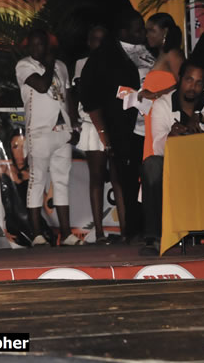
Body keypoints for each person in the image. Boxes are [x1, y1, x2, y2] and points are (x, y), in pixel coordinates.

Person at [80, 8, 150, 242]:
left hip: (154, 126)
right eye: (138, 29)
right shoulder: (105, 56)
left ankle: (154, 227)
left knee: (152, 178)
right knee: (128, 180)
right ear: (123, 31)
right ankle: (134, 231)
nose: (143, 33)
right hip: (125, 130)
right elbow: (89, 96)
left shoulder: (151, 50)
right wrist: (104, 133)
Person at [140, 59, 204, 255]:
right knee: (152, 165)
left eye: (199, 82)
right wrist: (170, 136)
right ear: (180, 79)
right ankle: (154, 238)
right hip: (178, 168)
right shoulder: (163, 104)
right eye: (189, 80)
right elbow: (157, 147)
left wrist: (203, 117)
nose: (193, 87)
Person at [15, 28, 81, 246]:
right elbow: (42, 86)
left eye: (40, 44)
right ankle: (37, 235)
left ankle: (66, 234)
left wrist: (74, 126)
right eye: (33, 45)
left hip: (62, 131)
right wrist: (50, 64)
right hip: (40, 132)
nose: (37, 48)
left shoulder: (60, 66)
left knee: (61, 181)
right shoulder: (24, 65)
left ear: (47, 46)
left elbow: (68, 95)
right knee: (37, 182)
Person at [73, 25, 123, 244]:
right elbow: (81, 94)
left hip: (115, 124)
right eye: (95, 39)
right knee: (97, 178)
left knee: (119, 178)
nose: (98, 44)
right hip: (92, 123)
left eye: (102, 40)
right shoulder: (82, 63)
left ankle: (126, 230)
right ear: (88, 41)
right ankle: (100, 232)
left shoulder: (118, 63)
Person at [139, 13, 184, 160]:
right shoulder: (161, 54)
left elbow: (184, 84)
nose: (147, 35)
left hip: (165, 115)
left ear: (165, 31)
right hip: (153, 115)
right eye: (147, 31)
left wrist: (154, 94)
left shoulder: (173, 54)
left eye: (152, 30)